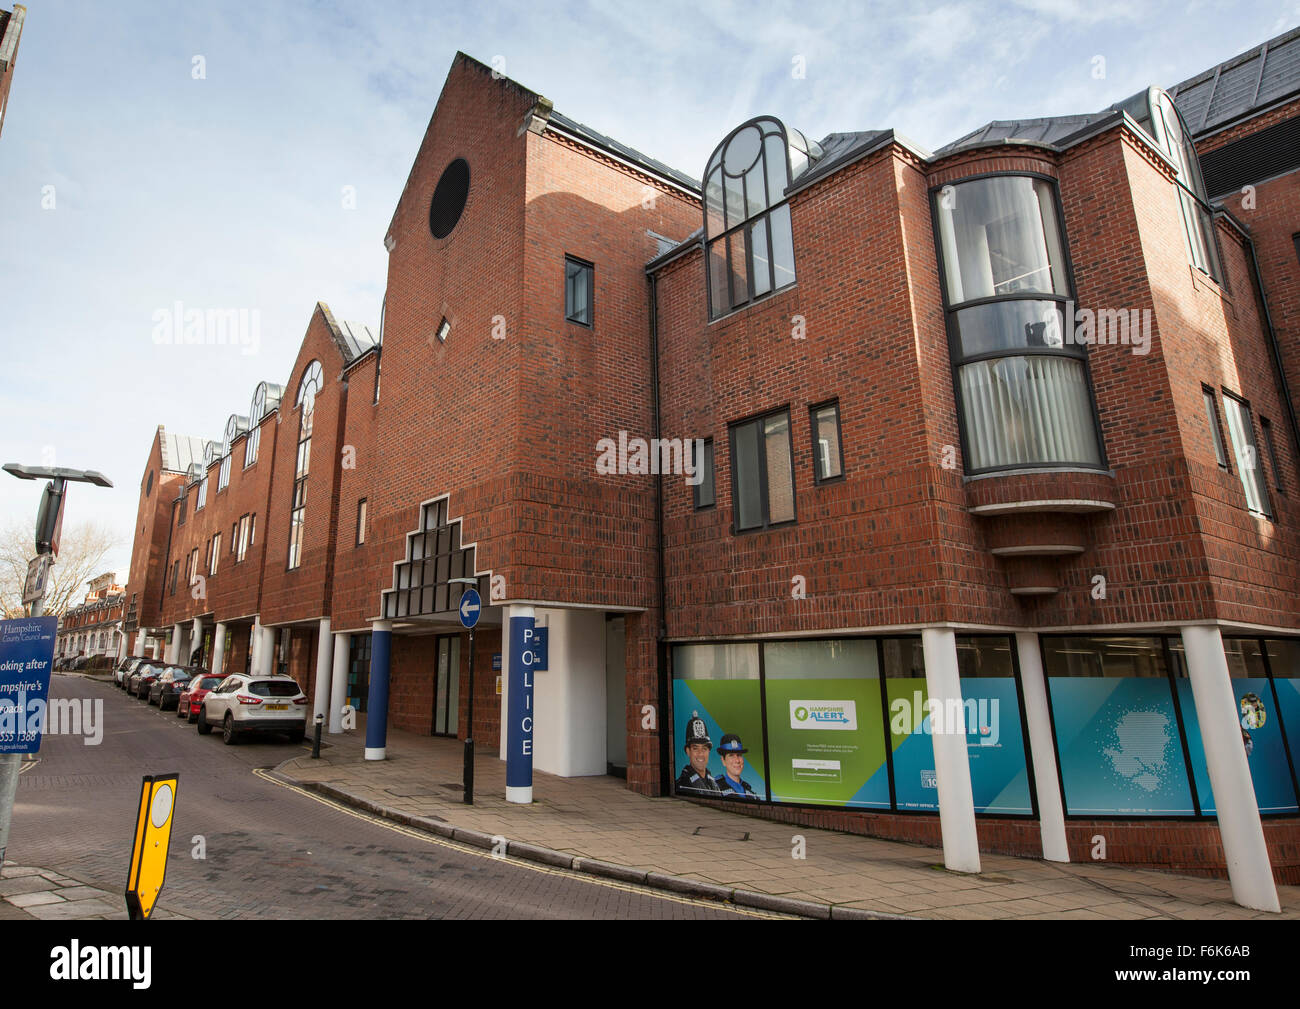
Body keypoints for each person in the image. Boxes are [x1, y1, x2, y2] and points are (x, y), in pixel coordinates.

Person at [675, 712, 723, 796]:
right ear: (688, 751)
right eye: (695, 748)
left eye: (704, 748)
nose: (700, 754)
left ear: (709, 751)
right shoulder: (682, 785)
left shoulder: (713, 783)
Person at [715, 733, 758, 800]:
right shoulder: (715, 787)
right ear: (723, 760)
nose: (737, 760)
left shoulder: (750, 792)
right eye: (731, 755)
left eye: (739, 755)